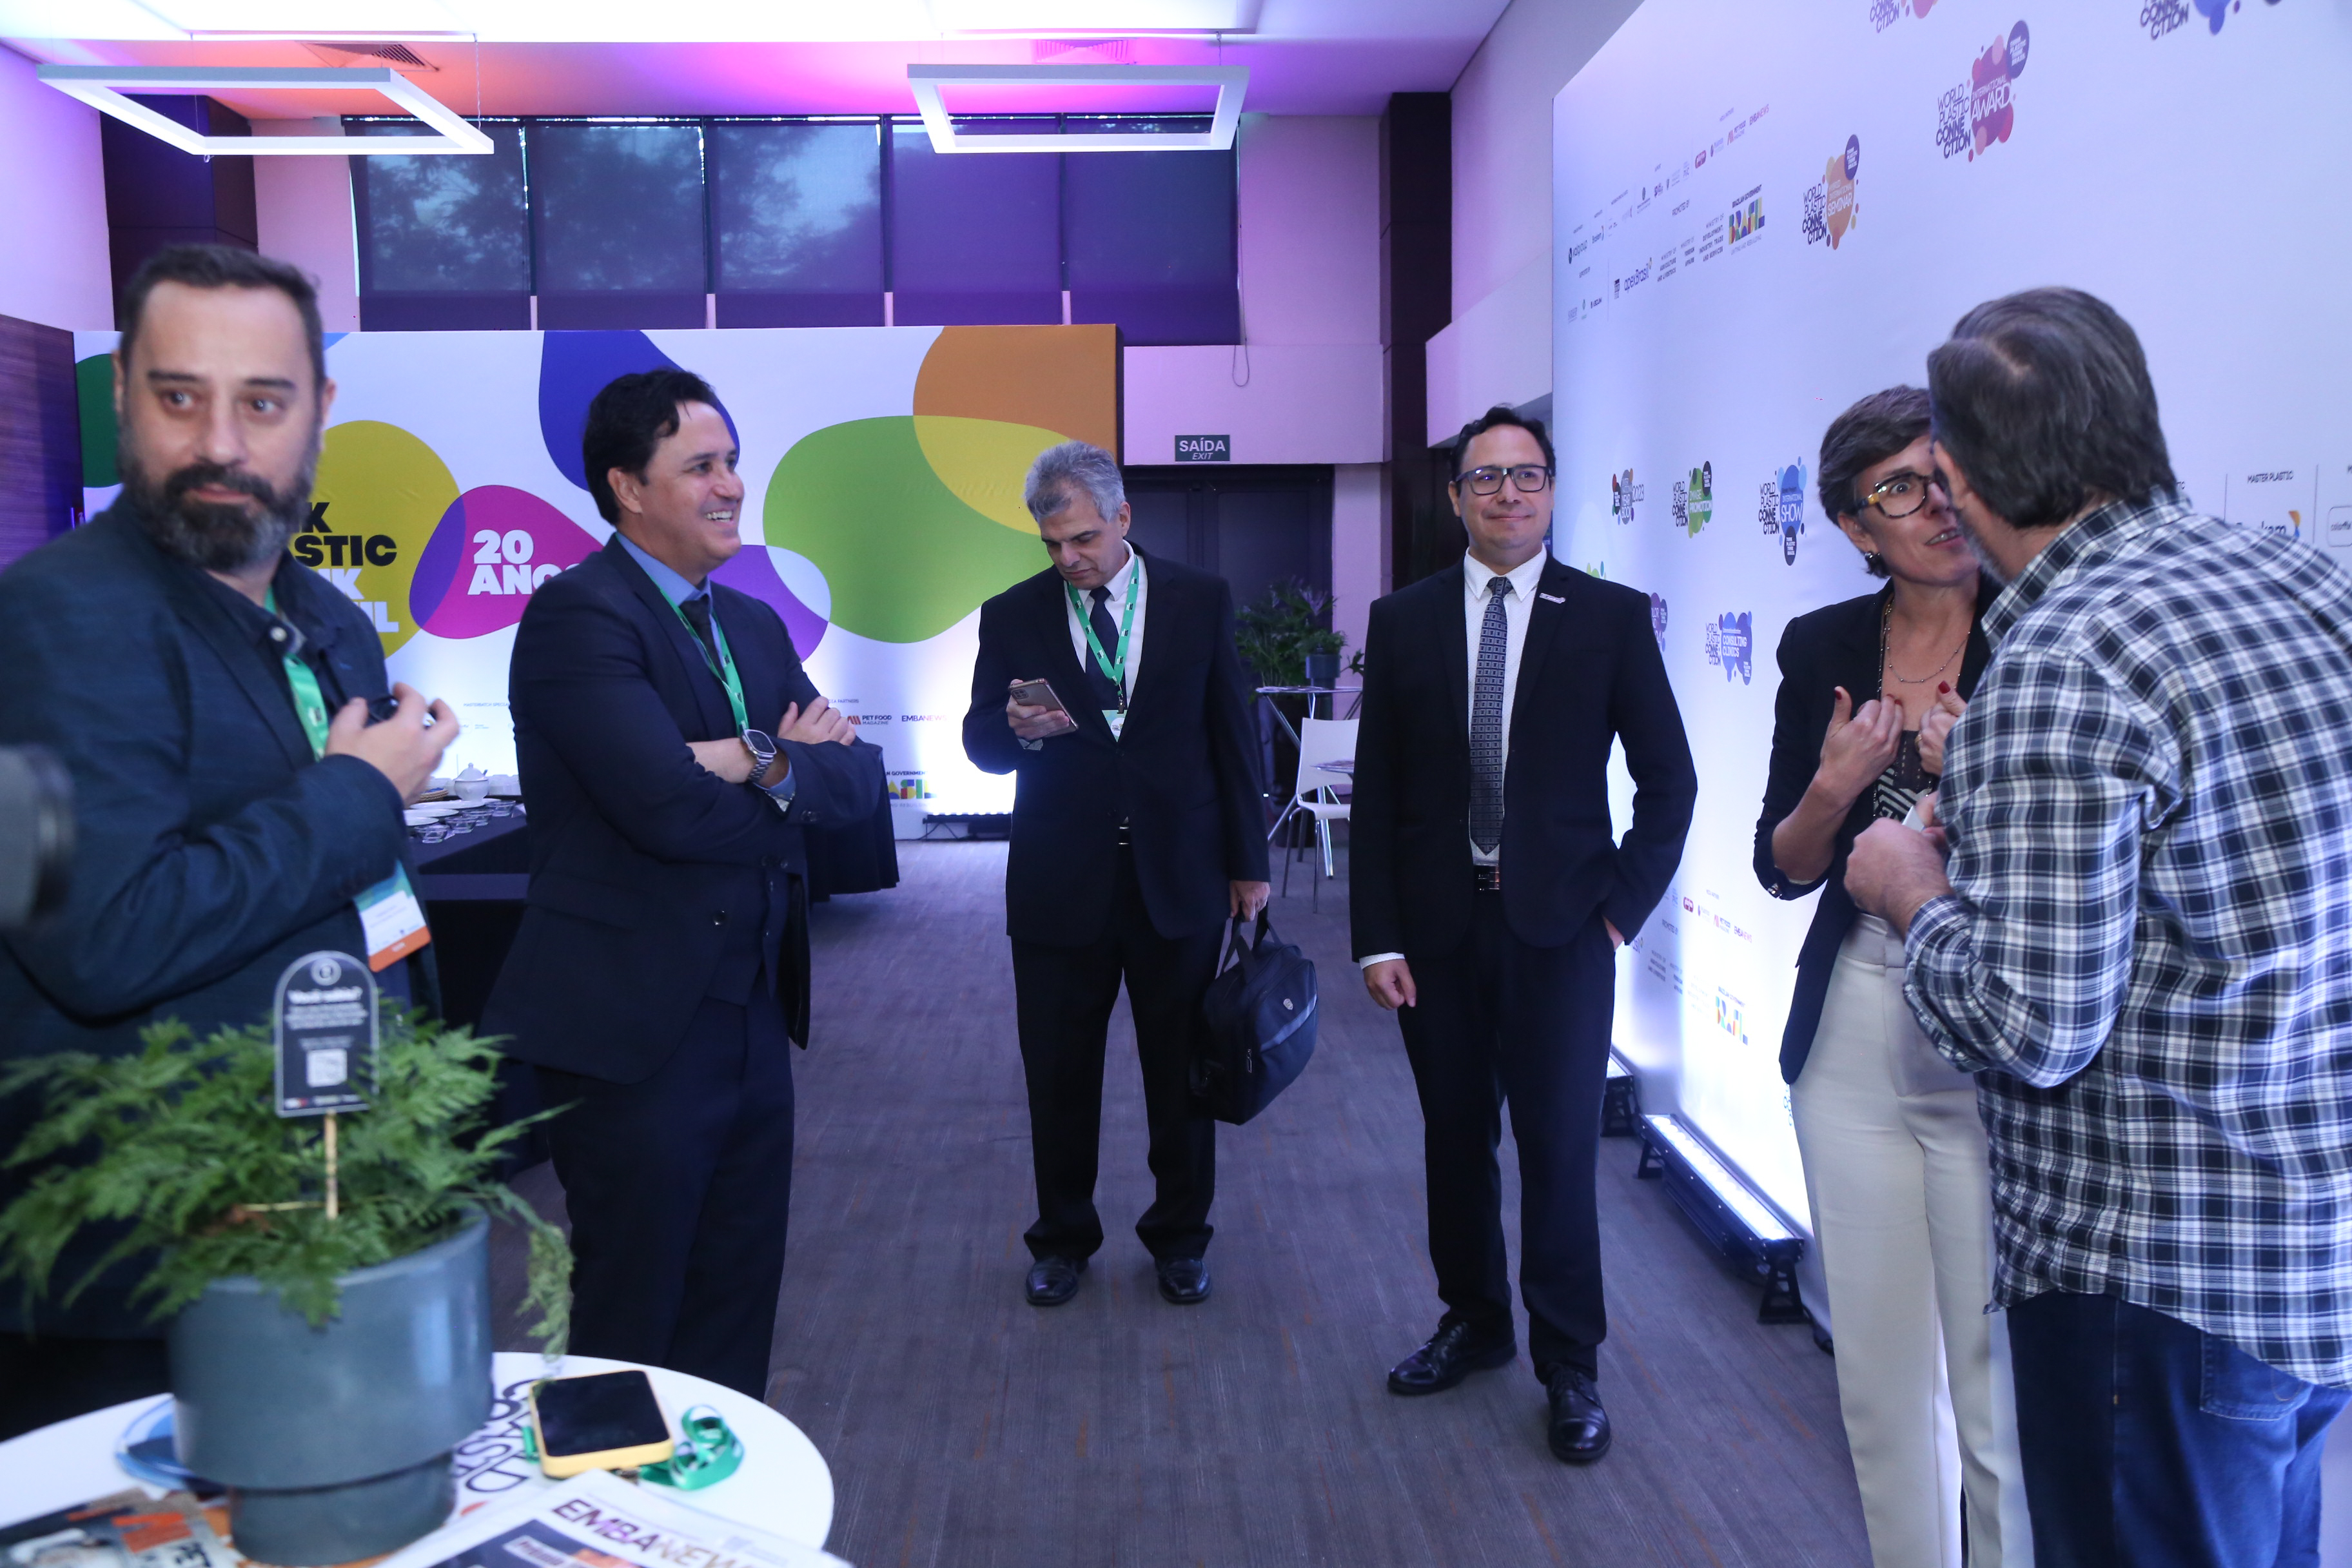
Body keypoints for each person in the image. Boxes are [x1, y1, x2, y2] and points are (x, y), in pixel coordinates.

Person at [1847, 287, 2352, 1567]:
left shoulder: (2062, 654)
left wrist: (1909, 886)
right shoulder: (2305, 576)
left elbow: (2030, 1024)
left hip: (2156, 1279)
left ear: (1961, 479)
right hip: (2308, 1252)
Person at [0, 244, 456, 1437]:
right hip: (146, 1270)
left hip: (325, 1207)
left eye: (261, 402)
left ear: (319, 411)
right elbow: (101, 937)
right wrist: (359, 794)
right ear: (122, 398)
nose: (219, 443)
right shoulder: (55, 617)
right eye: (178, 396)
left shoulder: (327, 618)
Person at [484, 368, 882, 1399]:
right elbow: (664, 810)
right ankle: (612, 1501)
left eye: (732, 462)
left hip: (752, 1013)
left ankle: (718, 1491)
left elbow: (859, 785)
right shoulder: (579, 617)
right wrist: (780, 762)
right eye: (701, 466)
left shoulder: (752, 624)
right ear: (628, 487)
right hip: (630, 1028)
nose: (732, 486)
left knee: (736, 1295)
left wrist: (747, 759)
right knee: (633, 1309)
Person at [1351, 405, 1695, 1464]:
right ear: (1457, 496)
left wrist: (1618, 911)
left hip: (1562, 934)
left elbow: (1669, 781)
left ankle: (1570, 1362)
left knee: (1557, 1151)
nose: (1509, 493)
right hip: (1437, 933)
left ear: (1552, 491)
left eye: (1529, 475)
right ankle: (1474, 1320)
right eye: (1487, 477)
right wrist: (1377, 938)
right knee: (1455, 1143)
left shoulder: (1609, 616)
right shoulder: (1403, 620)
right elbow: (1379, 792)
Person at [1752, 387, 2028, 1568]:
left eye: (1946, 472)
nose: (1937, 503)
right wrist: (1835, 784)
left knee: (1998, 1396)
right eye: (1900, 488)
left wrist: (1973, 788)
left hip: (1997, 1034)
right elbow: (1783, 866)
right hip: (1853, 1027)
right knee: (1878, 1384)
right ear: (1855, 524)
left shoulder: (2042, 626)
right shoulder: (1821, 646)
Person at [961, 440, 1269, 1309]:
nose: (1070, 559)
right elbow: (979, 744)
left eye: (1084, 539)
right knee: (1059, 1074)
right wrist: (1017, 728)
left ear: (1123, 517)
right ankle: (1063, 1237)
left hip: (1180, 876)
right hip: (1060, 883)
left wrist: (1248, 864)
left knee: (1183, 1074)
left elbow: (1233, 737)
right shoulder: (1012, 614)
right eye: (1053, 544)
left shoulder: (1198, 599)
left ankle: (1181, 1237)